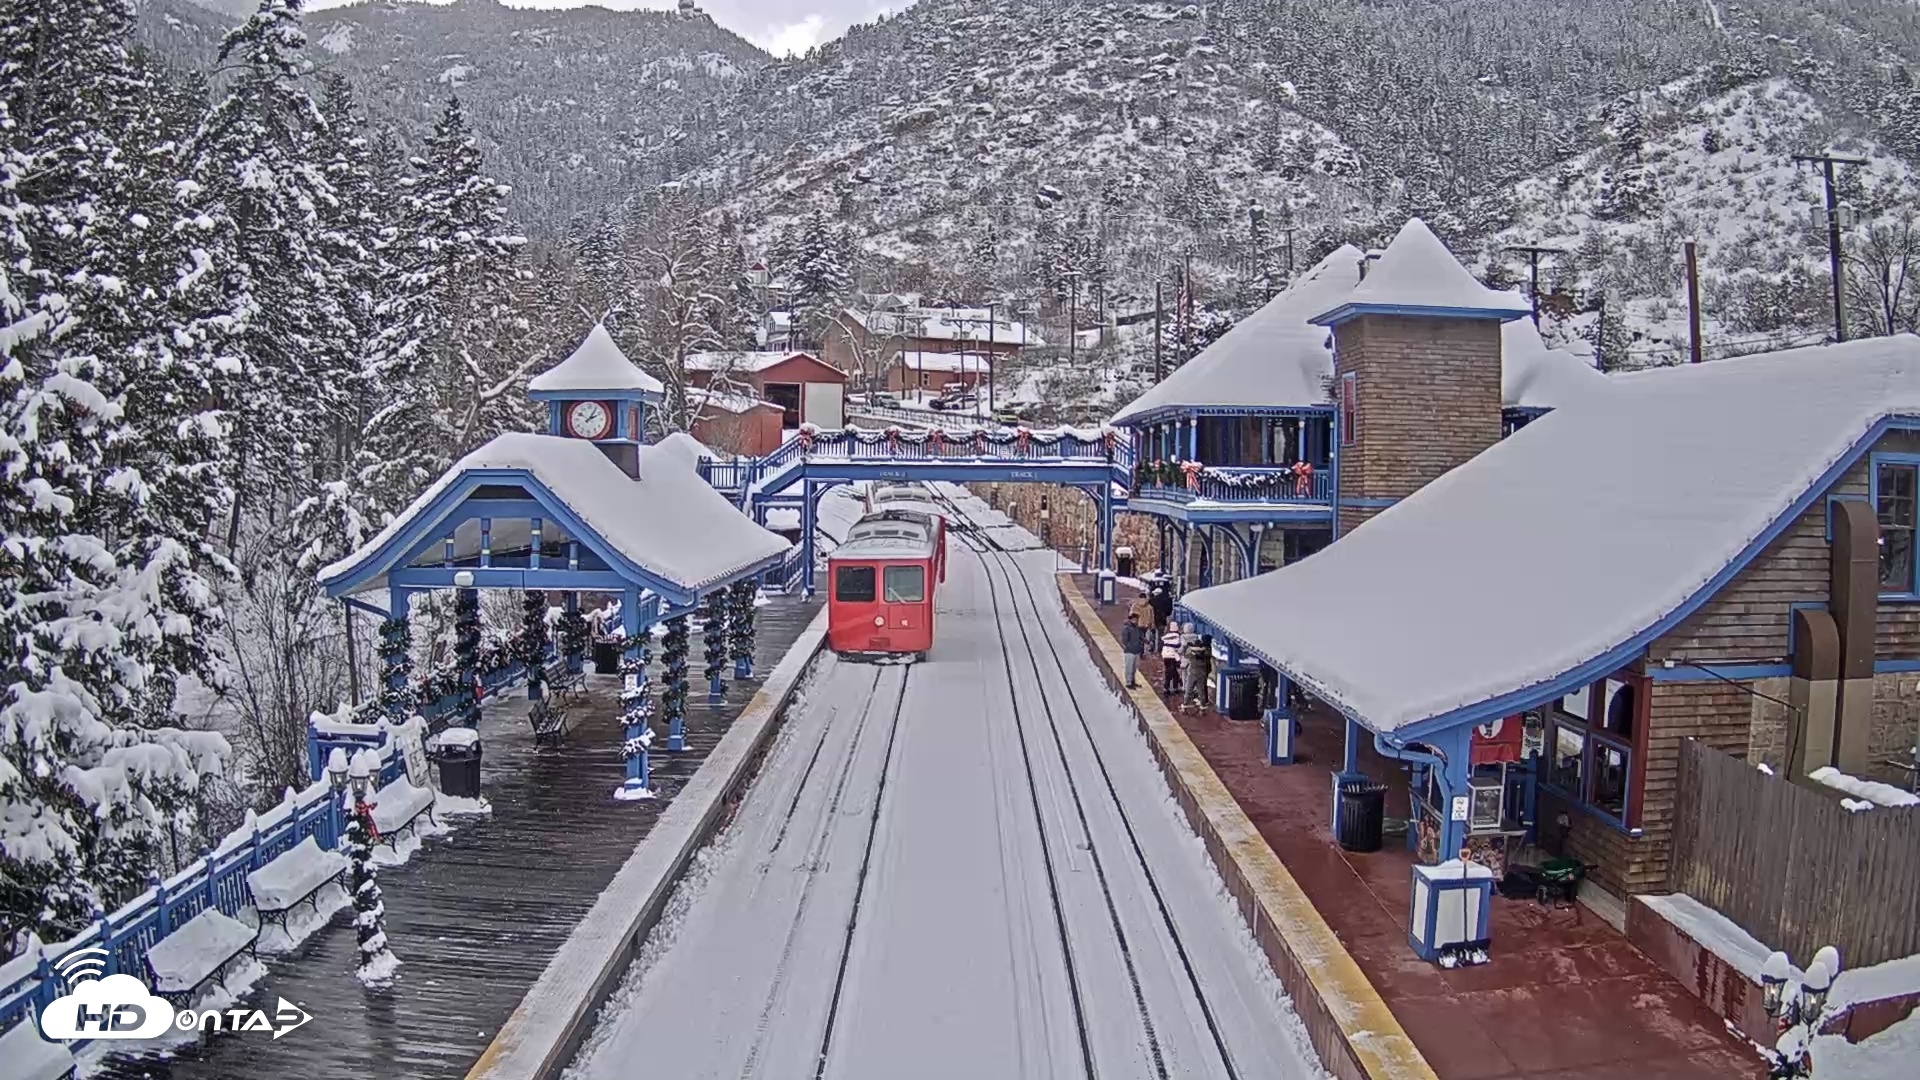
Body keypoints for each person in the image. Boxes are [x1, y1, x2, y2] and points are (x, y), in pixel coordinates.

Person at [1182, 632, 1213, 714]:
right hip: (1202, 674)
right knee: (1201, 690)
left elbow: (1185, 654)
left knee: (1188, 689)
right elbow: (1208, 656)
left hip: (1192, 673)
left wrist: (1188, 646)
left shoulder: (1191, 654)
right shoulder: (1206, 652)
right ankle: (1203, 706)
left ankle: (1185, 704)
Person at [1119, 613, 1146, 689]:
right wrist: (1129, 646)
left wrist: (1142, 643)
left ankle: (1133, 681)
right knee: (1129, 667)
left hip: (1136, 651)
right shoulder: (1127, 628)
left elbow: (1141, 637)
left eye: (1136, 619)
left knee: (1134, 668)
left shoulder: (1137, 629)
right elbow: (1124, 640)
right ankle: (1128, 682)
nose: (1135, 621)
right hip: (1129, 651)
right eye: (1134, 619)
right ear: (1130, 620)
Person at [1160, 623, 1184, 695]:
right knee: (1173, 673)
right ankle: (1173, 687)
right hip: (1173, 656)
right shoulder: (1177, 636)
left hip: (1165, 656)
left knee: (1169, 672)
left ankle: (1167, 688)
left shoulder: (1166, 636)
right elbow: (1177, 647)